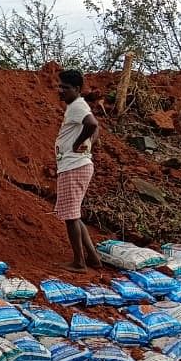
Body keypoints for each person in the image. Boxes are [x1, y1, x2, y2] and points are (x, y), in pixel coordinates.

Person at [55, 69, 103, 272]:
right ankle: (93, 258)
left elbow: (92, 124)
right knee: (74, 214)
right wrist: (88, 142)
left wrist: (78, 143)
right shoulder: (77, 106)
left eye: (65, 88)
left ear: (76, 89)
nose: (61, 91)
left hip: (73, 166)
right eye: (60, 86)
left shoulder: (76, 106)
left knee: (70, 217)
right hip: (76, 165)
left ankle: (79, 262)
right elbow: (96, 126)